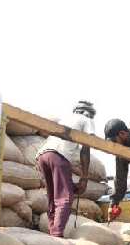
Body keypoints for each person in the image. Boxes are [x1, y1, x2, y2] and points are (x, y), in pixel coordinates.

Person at [36, 100, 96, 237]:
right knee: (65, 198)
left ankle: (53, 231)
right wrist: (84, 178)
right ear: (88, 113)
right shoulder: (86, 119)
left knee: (53, 197)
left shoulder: (66, 119)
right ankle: (57, 234)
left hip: (42, 156)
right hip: (58, 156)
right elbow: (86, 148)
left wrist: (72, 186)